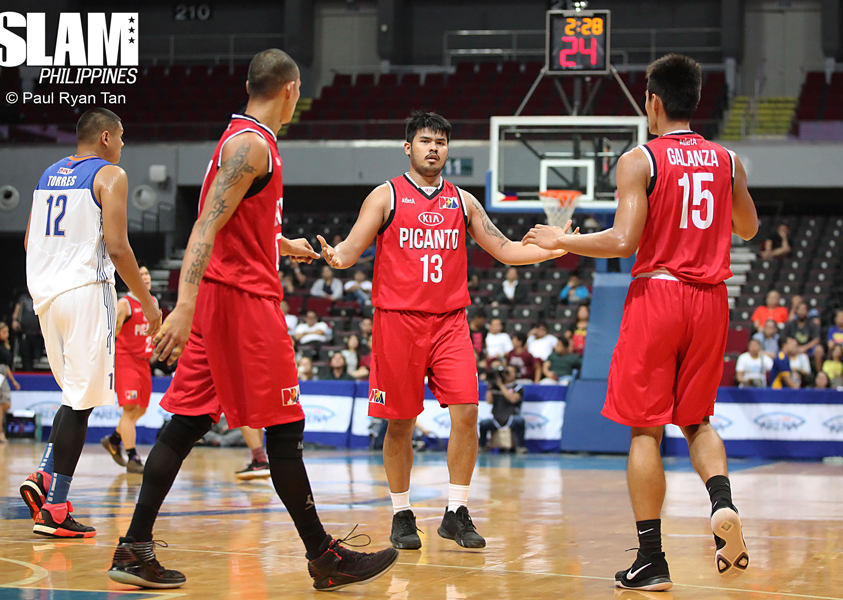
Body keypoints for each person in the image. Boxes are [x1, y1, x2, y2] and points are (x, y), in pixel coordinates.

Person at [106, 50, 397, 591]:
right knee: (286, 427)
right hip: (237, 303)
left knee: (187, 421)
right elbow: (204, 228)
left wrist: (282, 246)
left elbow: (237, 226)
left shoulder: (244, 137)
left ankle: (134, 548)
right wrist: (185, 305)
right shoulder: (251, 145)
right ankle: (324, 557)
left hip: (227, 296)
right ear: (291, 90)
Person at [523, 54, 756, 590]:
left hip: (660, 293)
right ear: (694, 101)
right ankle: (722, 502)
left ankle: (651, 557)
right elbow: (747, 227)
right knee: (698, 420)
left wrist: (562, 239)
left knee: (646, 430)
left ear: (653, 102)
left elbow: (623, 241)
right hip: (711, 297)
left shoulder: (640, 160)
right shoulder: (728, 160)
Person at [316, 111, 566, 552]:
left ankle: (456, 511)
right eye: (426, 141)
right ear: (408, 147)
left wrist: (555, 249)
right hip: (397, 322)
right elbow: (351, 251)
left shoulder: (464, 202)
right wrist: (332, 257)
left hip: (450, 322)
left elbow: (505, 250)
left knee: (467, 412)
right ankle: (401, 512)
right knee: (400, 424)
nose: (434, 148)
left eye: (442, 142)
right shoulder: (385, 196)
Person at [19, 107, 161, 539]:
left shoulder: (48, 174)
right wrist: (148, 301)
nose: (122, 145)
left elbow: (29, 240)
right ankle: (56, 509)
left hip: (45, 295)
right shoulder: (110, 176)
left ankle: (43, 477)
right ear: (103, 137)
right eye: (120, 136)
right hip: (85, 292)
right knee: (82, 403)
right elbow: (118, 248)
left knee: (73, 395)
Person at [101, 265, 158, 474]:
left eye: (147, 274)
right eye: (141, 274)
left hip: (144, 361)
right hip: (126, 359)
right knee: (130, 409)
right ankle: (133, 457)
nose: (145, 277)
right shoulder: (125, 304)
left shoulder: (153, 302)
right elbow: (112, 332)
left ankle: (114, 439)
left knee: (141, 409)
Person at [479, 365, 527, 453]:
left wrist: (501, 386)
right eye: (507, 371)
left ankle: (520, 446)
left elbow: (513, 399)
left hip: (511, 416)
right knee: (483, 424)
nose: (508, 374)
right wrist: (490, 387)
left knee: (520, 421)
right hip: (497, 416)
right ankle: (482, 446)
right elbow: (489, 401)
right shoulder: (495, 386)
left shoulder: (518, 387)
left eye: (511, 372)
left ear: (516, 374)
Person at [0, 322, 21, 443]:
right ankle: (0, 431)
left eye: (7, 332)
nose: (6, 334)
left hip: (4, 376)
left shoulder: (6, 346)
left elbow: (6, 367)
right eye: (4, 332)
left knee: (6, 405)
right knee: (1, 404)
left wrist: (13, 381)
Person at [12, 292, 45, 371]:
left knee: (38, 355)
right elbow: (17, 311)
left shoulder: (41, 296)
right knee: (26, 356)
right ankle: (28, 372)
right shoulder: (23, 298)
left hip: (39, 333)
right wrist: (14, 320)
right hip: (25, 333)